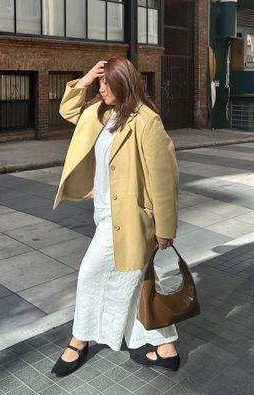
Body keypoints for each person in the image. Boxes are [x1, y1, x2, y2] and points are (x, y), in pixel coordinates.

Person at [51, 57, 180, 377]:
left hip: (129, 218)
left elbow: (164, 180)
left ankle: (78, 341)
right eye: (100, 83)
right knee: (136, 281)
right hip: (104, 211)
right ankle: (166, 349)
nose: (101, 88)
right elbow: (68, 112)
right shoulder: (101, 114)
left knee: (90, 273)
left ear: (125, 83)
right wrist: (83, 80)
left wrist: (165, 227)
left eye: (107, 83)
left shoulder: (146, 121)